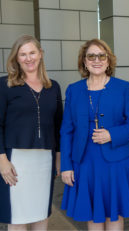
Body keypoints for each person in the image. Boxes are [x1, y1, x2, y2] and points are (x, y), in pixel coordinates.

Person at [60, 38, 129, 230]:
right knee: (93, 216)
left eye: (101, 55)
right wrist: (65, 166)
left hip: (116, 163)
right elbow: (66, 131)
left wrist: (112, 134)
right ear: (84, 61)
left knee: (114, 215)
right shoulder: (74, 90)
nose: (96, 60)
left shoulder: (123, 87)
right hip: (85, 163)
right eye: (91, 56)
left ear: (108, 60)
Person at [0, 35, 63, 230]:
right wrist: (2, 160)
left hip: (45, 161)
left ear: (41, 54)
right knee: (18, 218)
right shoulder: (5, 85)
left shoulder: (53, 87)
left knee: (41, 215)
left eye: (32, 53)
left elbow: (58, 125)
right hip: (15, 161)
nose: (28, 58)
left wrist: (59, 158)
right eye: (23, 54)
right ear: (16, 59)